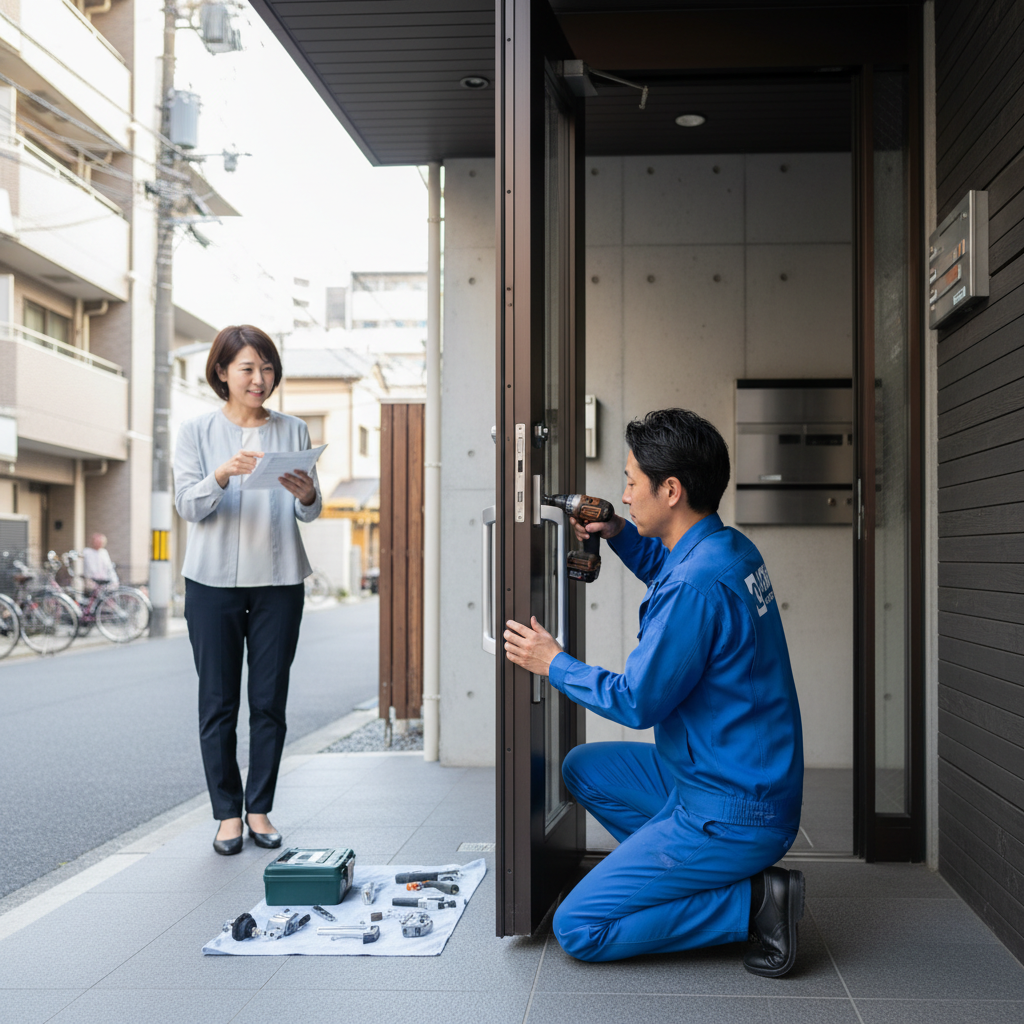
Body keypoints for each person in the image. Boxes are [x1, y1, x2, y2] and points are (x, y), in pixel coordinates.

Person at [502, 408, 805, 977]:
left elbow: (636, 702)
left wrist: (554, 663)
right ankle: (693, 875)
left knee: (579, 927)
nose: (623, 493)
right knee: (586, 768)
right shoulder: (727, 549)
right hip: (722, 773)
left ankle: (756, 902)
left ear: (670, 490)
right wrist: (618, 534)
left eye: (631, 481)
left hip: (731, 808)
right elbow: (670, 572)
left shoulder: (696, 584)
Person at [173, 324, 322, 856]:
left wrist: (307, 494)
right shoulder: (196, 431)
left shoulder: (294, 429)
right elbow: (186, 506)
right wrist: (219, 476)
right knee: (217, 703)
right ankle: (225, 815)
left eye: (267, 368)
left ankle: (259, 809)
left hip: (279, 583)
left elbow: (311, 509)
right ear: (221, 372)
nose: (260, 379)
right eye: (248, 369)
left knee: (268, 702)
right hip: (211, 583)